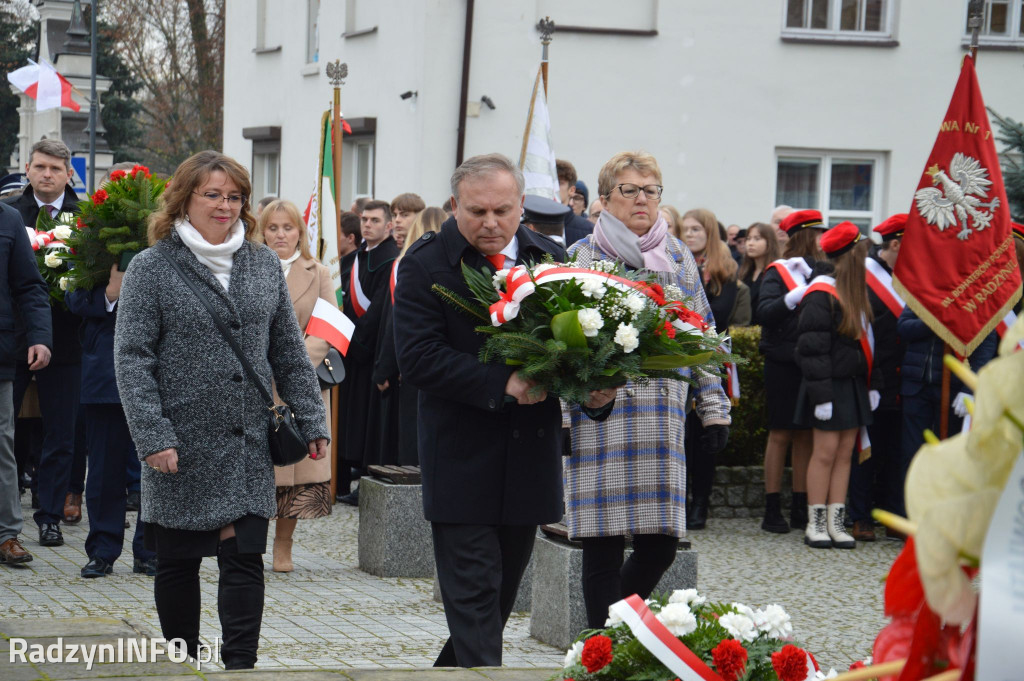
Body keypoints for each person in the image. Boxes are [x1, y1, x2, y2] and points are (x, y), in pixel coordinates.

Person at [393, 154, 614, 667]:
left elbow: (577, 348)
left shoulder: (550, 259)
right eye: (476, 211)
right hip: (461, 460)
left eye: (502, 210)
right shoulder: (427, 265)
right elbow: (419, 359)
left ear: (522, 207)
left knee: (493, 604)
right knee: (473, 600)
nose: (490, 223)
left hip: (528, 461)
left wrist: (595, 391)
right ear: (454, 207)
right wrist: (505, 383)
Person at [114, 150, 329, 669]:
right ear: (185, 198)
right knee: (178, 562)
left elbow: (287, 350)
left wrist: (311, 418)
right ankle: (183, 662)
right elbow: (132, 358)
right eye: (213, 194)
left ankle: (240, 667)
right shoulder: (152, 267)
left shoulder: (260, 263)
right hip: (179, 441)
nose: (225, 205)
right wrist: (153, 436)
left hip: (246, 439)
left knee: (243, 558)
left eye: (234, 196)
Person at [564, 151, 730, 628]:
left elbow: (704, 333)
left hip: (661, 416)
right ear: (604, 199)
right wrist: (559, 417)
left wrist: (713, 406)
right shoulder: (581, 257)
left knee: (659, 545)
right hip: (601, 417)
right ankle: (602, 651)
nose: (642, 199)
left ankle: (607, 633)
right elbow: (559, 349)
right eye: (629, 190)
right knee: (602, 547)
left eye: (651, 190)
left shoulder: (677, 255)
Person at [1, 139, 82, 549]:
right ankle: (6, 517)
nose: (47, 174)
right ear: (27, 170)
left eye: (55, 168)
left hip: (67, 342)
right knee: (6, 432)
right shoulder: (11, 214)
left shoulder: (87, 219)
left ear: (70, 173)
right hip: (12, 341)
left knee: (61, 435)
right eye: (40, 167)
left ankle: (49, 514)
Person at [66, 257, 159, 578]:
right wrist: (110, 292)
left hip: (157, 373)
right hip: (105, 374)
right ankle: (102, 550)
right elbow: (73, 296)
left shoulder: (168, 240)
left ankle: (150, 550)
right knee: (104, 468)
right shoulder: (93, 241)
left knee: (156, 467)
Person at [258, 199, 336, 573]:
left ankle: (283, 546)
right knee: (257, 467)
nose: (280, 235)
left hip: (301, 382)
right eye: (272, 228)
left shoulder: (317, 271)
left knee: (294, 467)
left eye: (287, 228)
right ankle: (248, 543)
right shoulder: (248, 268)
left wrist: (294, 364)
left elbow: (328, 328)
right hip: (254, 383)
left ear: (300, 233)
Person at [793, 223, 879, 549]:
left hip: (853, 385)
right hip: (827, 387)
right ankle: (815, 523)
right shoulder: (821, 293)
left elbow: (871, 345)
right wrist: (822, 396)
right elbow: (812, 349)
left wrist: (875, 384)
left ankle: (835, 521)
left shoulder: (854, 290)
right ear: (851, 255)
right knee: (826, 454)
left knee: (846, 455)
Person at [755, 209, 827, 533]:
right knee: (781, 432)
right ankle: (772, 508)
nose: (822, 238)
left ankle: (800, 504)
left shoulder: (825, 269)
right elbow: (765, 313)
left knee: (805, 434)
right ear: (805, 236)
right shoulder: (778, 271)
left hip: (809, 362)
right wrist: (796, 294)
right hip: (783, 361)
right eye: (817, 233)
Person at [680, 208, 750, 529]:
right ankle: (680, 502)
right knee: (682, 437)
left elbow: (718, 316)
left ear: (710, 232)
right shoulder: (673, 265)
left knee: (706, 438)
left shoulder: (725, 273)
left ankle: (700, 505)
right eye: (685, 229)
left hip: (710, 359)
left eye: (696, 229)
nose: (689, 234)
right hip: (680, 358)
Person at [372, 206, 447, 467]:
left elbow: (397, 322)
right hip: (445, 361)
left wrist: (384, 368)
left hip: (414, 362)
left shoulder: (406, 265)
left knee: (412, 434)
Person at [848, 215, 906, 542]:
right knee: (866, 449)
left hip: (904, 378)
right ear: (895, 243)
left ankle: (893, 513)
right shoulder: (864, 275)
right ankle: (861, 515)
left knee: (897, 451)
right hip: (872, 375)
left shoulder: (914, 276)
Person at [0, 202, 52, 567]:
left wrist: (40, 336)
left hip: (1, 352)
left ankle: (6, 534)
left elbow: (30, 287)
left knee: (2, 442)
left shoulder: (8, 218)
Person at [338, 200, 399, 505]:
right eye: (364, 219)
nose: (367, 225)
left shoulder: (390, 259)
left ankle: (364, 479)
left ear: (389, 226)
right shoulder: (358, 257)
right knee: (350, 416)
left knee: (368, 419)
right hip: (349, 347)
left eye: (375, 220)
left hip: (369, 348)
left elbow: (378, 308)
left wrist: (357, 341)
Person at [738, 222, 781, 313]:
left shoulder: (776, 272)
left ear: (769, 242)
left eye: (757, 239)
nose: (750, 243)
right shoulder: (743, 271)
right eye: (748, 239)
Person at [556, 159, 595, 245]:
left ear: (571, 190)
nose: (554, 187)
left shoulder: (588, 231)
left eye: (559, 183)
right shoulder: (530, 225)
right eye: (551, 183)